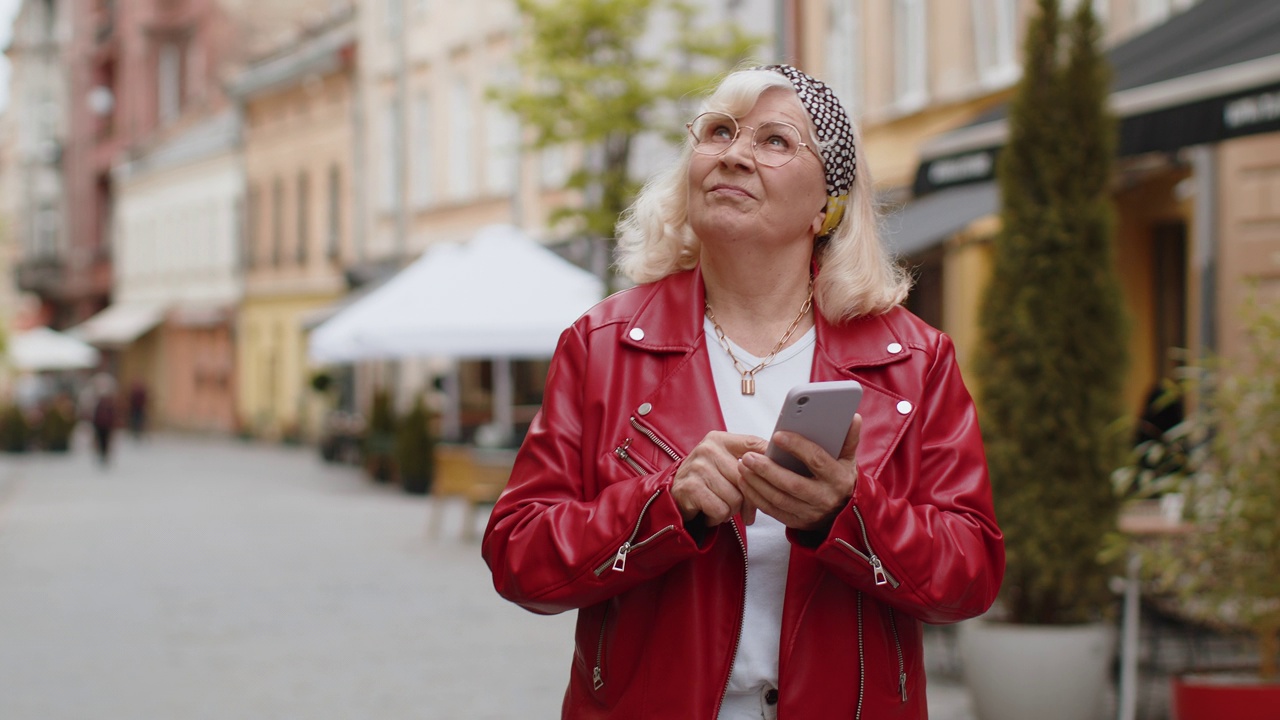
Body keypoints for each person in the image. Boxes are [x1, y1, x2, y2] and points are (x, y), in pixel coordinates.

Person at [482, 64, 1004, 719]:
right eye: (719, 132)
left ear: (827, 205)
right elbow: (518, 555)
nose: (733, 155)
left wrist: (846, 515)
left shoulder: (917, 359)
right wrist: (664, 504)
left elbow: (971, 575)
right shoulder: (602, 344)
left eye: (775, 141)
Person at [89, 372, 118, 467]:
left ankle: (105, 455)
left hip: (106, 424)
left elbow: (113, 414)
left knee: (105, 440)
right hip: (99, 424)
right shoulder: (97, 404)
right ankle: (101, 454)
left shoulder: (109, 405)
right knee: (101, 440)